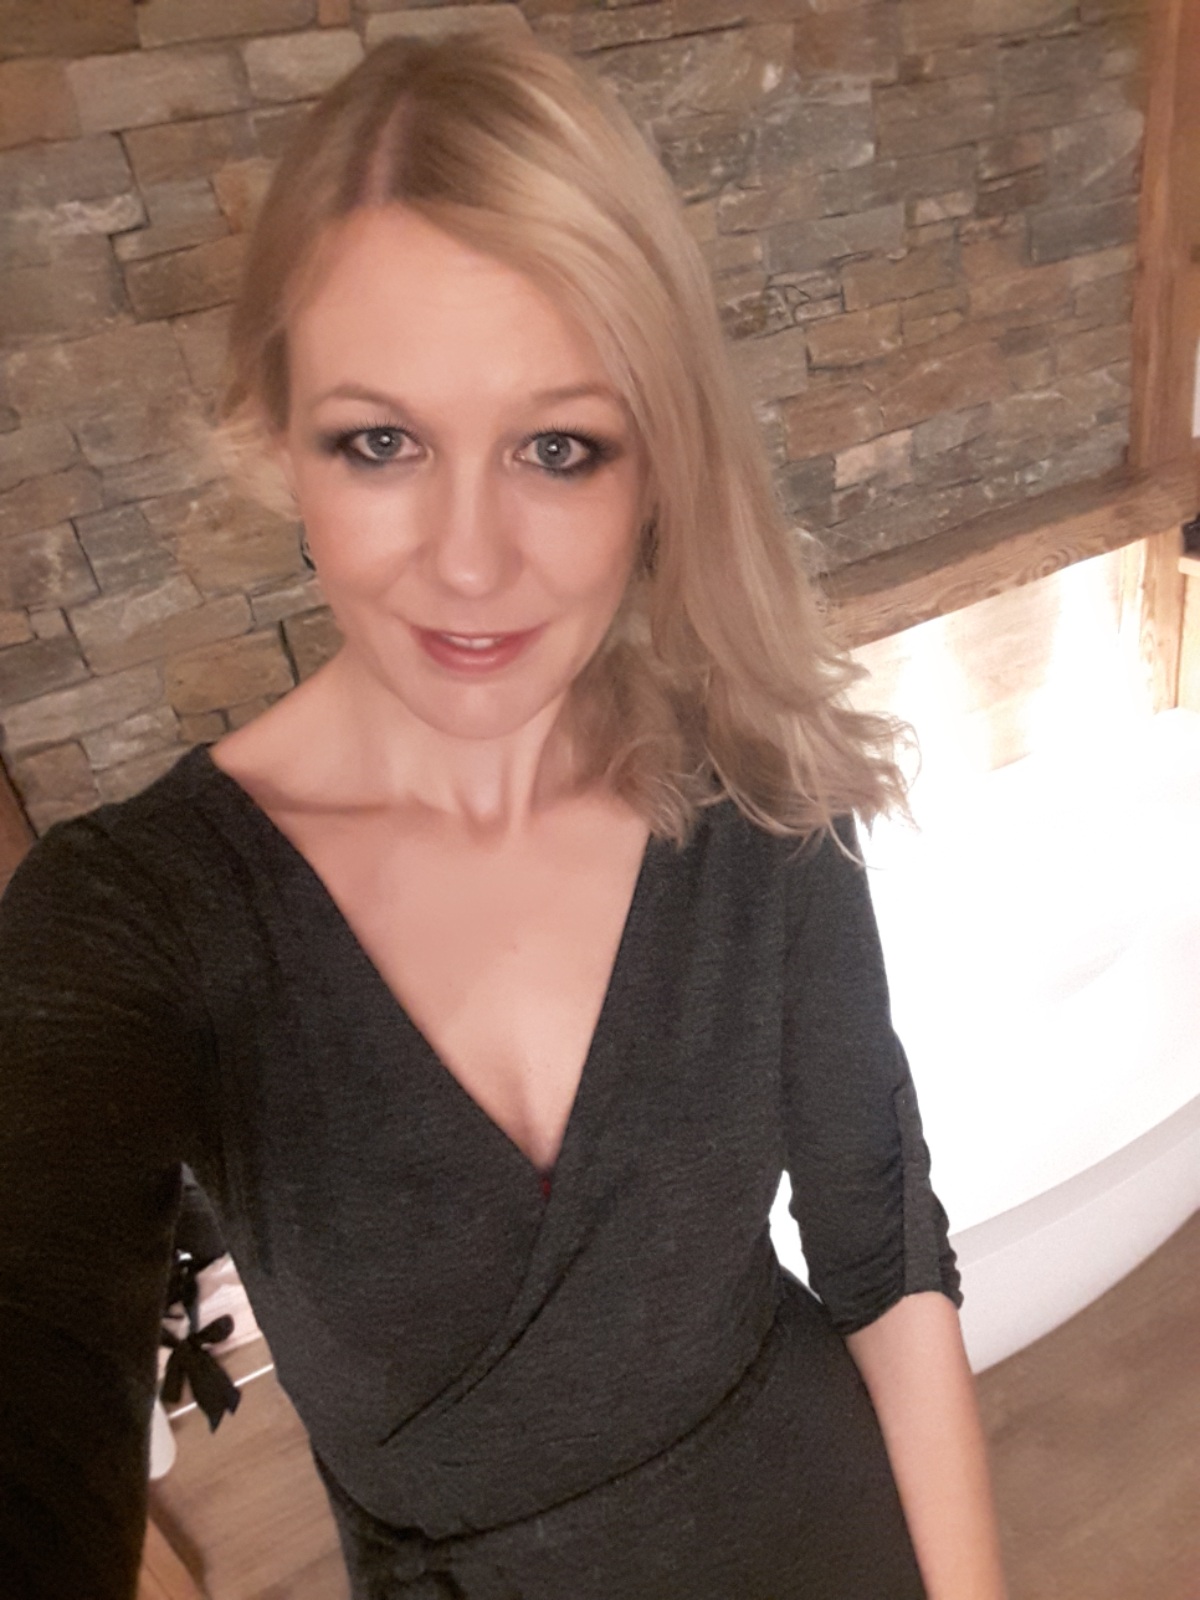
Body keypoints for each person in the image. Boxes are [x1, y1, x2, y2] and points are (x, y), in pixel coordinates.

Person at [0, 30, 1008, 1600]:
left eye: (557, 447)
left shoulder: (755, 788)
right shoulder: (135, 922)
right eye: (381, 442)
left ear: (656, 462)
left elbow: (884, 1267)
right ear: (276, 437)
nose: (469, 562)